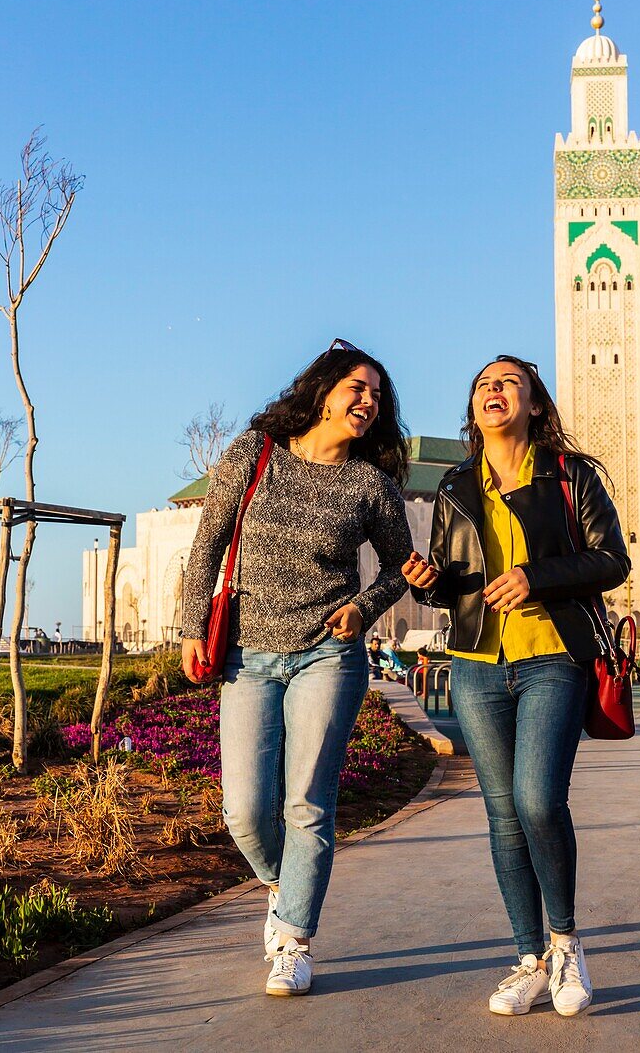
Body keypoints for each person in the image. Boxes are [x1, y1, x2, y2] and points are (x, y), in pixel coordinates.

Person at [182, 339, 412, 997]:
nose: (367, 402)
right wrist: (190, 626)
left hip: (327, 656)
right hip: (245, 656)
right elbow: (208, 544)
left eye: (377, 395)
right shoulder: (255, 453)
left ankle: (293, 941)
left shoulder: (370, 485)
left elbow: (401, 566)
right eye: (356, 388)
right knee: (245, 812)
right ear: (323, 390)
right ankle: (285, 888)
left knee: (307, 804)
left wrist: (362, 609)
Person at [403, 354, 629, 1019]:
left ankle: (565, 943)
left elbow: (611, 560)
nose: (492, 391)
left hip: (552, 655)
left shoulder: (569, 474)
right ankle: (528, 958)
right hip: (475, 662)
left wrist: (536, 577)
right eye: (481, 384)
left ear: (533, 405)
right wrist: (428, 582)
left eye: (508, 383)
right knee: (502, 815)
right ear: (473, 409)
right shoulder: (453, 483)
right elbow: (454, 582)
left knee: (535, 800)